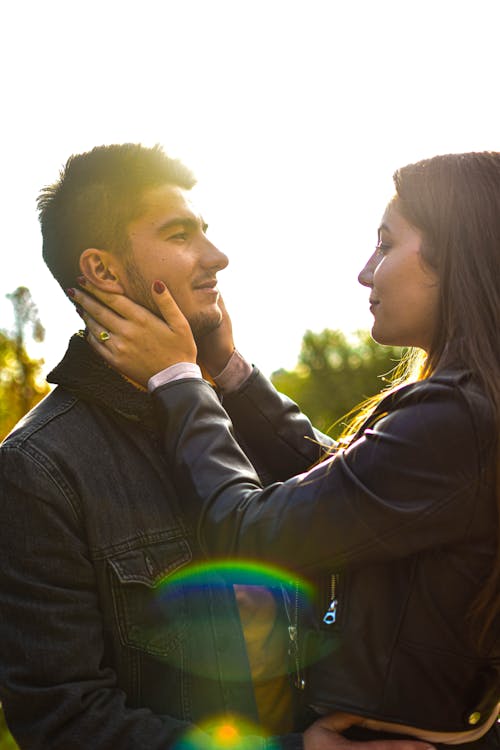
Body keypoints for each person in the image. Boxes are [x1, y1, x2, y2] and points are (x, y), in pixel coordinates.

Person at [0, 143, 431, 750]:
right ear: (101, 271)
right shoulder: (38, 470)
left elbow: (364, 496)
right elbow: (65, 722)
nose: (217, 257)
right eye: (180, 235)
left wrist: (226, 369)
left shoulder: (237, 420)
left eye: (206, 231)